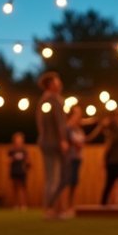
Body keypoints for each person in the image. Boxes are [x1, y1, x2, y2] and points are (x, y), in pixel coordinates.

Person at [36, 71, 70, 218]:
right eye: (57, 81)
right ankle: (51, 210)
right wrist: (63, 140)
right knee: (54, 178)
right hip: (53, 143)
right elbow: (60, 123)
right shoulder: (54, 100)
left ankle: (54, 209)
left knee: (52, 177)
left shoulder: (42, 101)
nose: (60, 84)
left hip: (45, 142)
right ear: (51, 85)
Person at [90, 109, 118, 206]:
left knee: (110, 185)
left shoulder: (117, 129)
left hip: (115, 162)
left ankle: (103, 206)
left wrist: (104, 158)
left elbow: (109, 145)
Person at [63, 106, 87, 214]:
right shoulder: (67, 128)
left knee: (74, 183)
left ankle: (71, 206)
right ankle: (63, 207)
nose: (79, 116)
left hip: (77, 159)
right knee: (66, 183)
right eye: (77, 113)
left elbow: (82, 143)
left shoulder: (79, 130)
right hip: (69, 159)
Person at [8, 132, 30, 210]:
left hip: (22, 171)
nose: (19, 140)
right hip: (14, 170)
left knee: (23, 188)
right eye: (17, 139)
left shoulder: (24, 150)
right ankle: (15, 205)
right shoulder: (11, 150)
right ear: (14, 140)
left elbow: (28, 160)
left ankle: (23, 205)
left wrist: (27, 164)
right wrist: (11, 160)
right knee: (15, 188)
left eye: (20, 139)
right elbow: (8, 160)